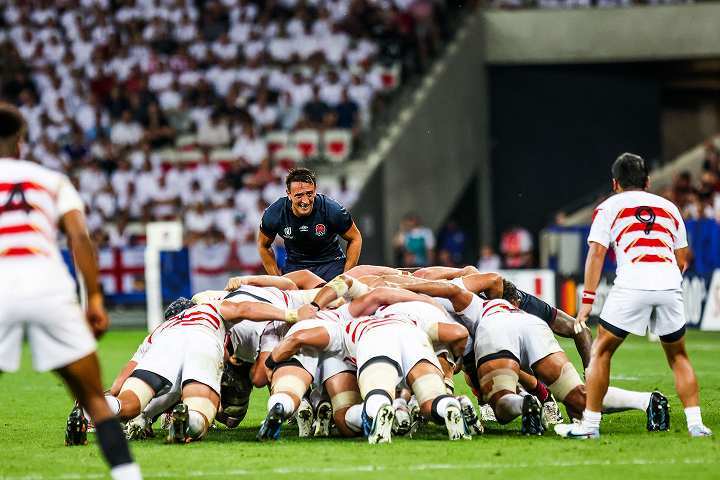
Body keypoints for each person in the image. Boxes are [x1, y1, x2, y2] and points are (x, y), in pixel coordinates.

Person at [0, 103, 142, 480]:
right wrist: (94, 298)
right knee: (94, 398)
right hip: (48, 284)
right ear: (20, 144)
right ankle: (127, 475)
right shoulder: (50, 179)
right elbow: (79, 236)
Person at [562, 152, 712, 439]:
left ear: (615, 183)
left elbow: (596, 253)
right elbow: (683, 258)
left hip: (632, 283)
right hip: (669, 283)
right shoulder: (669, 207)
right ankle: (696, 425)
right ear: (648, 181)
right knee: (679, 356)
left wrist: (587, 303)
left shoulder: (607, 207)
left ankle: (590, 426)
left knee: (601, 352)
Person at [258, 168, 362, 281]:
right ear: (289, 194)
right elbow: (263, 245)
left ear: (315, 190)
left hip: (331, 264)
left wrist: (346, 277)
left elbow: (355, 238)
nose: (305, 201)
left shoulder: (332, 209)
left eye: (309, 194)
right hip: (296, 267)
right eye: (299, 195)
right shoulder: (275, 213)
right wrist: (277, 279)